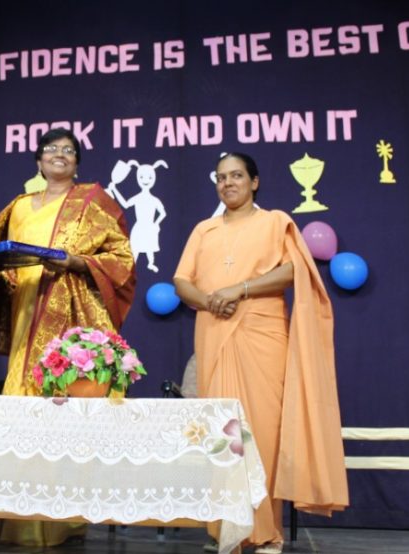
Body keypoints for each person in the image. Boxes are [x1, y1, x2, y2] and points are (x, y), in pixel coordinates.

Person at [0, 128, 136, 546]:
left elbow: (121, 258)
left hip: (68, 314)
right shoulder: (19, 206)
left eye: (69, 150)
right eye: (51, 149)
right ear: (38, 161)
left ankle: (59, 519)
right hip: (25, 310)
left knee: (60, 408)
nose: (60, 154)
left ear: (77, 162)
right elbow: (6, 260)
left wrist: (75, 262)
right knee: (20, 404)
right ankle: (13, 513)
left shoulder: (93, 200)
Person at [173, 152, 348, 554]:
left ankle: (266, 531)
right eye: (221, 178)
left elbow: (292, 270)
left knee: (262, 433)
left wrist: (241, 289)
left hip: (262, 335)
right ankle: (224, 531)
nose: (228, 183)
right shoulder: (203, 230)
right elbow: (182, 281)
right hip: (214, 333)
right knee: (222, 433)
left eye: (236, 176)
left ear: (254, 182)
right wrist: (210, 300)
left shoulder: (275, 222)